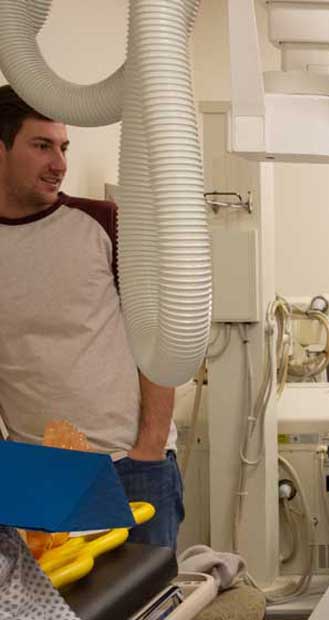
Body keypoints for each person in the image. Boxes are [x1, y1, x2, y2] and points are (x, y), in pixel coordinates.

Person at [0, 86, 182, 549]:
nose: (59, 163)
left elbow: (158, 336)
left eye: (63, 147)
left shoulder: (104, 224)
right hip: (36, 473)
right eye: (42, 146)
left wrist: (150, 448)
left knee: (141, 606)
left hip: (128, 463)